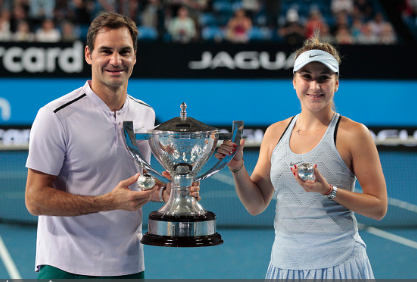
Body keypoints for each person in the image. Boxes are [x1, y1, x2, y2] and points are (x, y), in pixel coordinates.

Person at [25, 12, 200, 279]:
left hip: (128, 265)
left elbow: (140, 183)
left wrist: (169, 193)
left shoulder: (146, 114)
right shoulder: (55, 116)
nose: (116, 61)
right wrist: (108, 202)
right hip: (66, 266)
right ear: (88, 55)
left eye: (124, 52)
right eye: (105, 51)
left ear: (135, 56)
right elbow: (35, 200)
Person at [216, 35, 387, 279]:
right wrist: (237, 167)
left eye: (324, 78)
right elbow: (255, 205)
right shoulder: (275, 133)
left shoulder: (354, 134)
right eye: (306, 77)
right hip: (283, 266)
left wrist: (328, 190)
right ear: (294, 82)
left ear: (336, 83)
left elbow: (378, 208)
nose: (315, 86)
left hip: (340, 265)